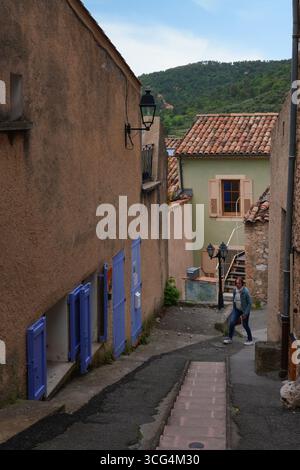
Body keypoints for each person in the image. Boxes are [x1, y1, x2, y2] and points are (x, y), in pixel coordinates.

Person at [223, 277, 253, 346]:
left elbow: (249, 303)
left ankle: (250, 339)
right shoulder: (234, 290)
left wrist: (245, 314)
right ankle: (230, 338)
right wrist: (234, 310)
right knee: (232, 322)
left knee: (245, 325)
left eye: (239, 283)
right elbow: (234, 301)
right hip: (237, 309)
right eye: (236, 283)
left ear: (242, 284)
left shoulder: (245, 291)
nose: (237, 285)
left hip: (244, 310)